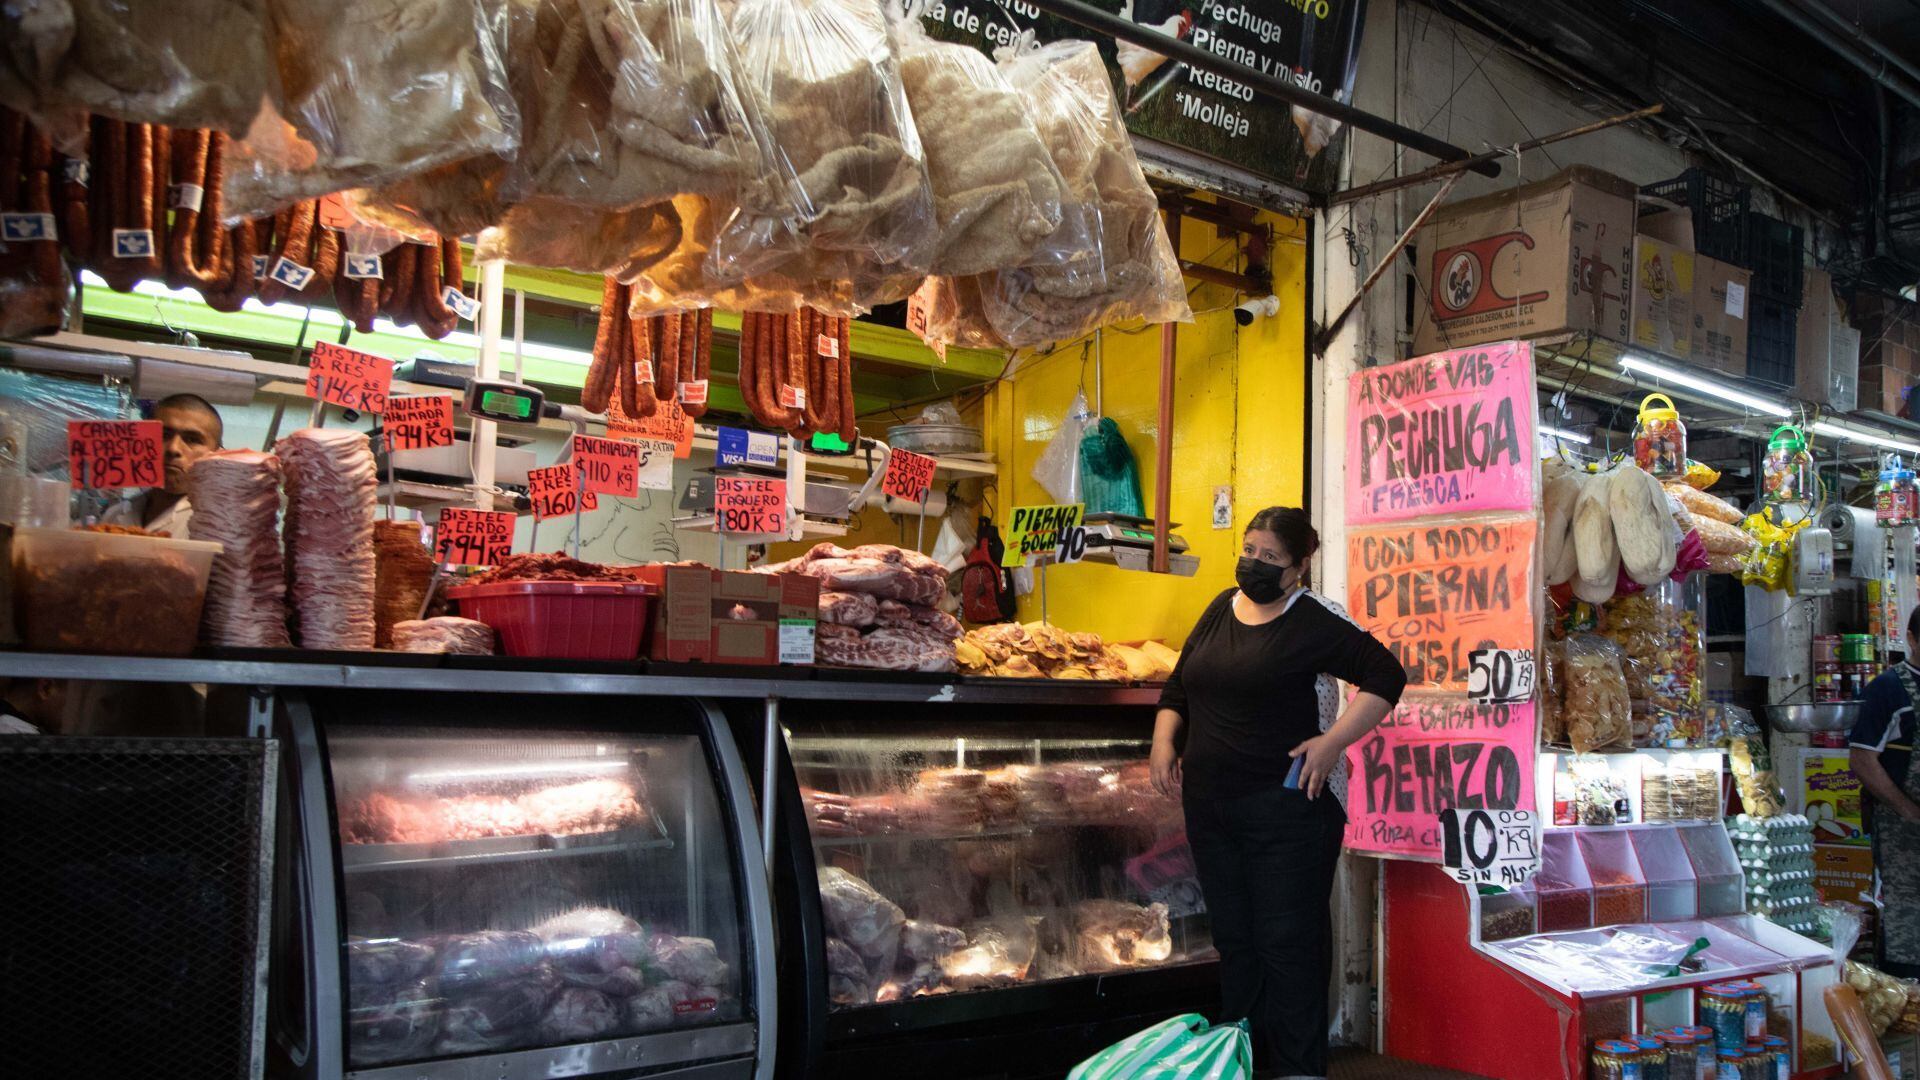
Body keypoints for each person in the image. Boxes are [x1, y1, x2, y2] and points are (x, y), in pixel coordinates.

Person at [1151, 506, 1406, 1079]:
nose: (1254, 564)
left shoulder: (1312, 619)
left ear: (1298, 566)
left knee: (1287, 944)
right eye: (1249, 550)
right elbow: (1178, 685)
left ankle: (1297, 1068)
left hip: (1290, 812)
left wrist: (1333, 742)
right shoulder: (1221, 607)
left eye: (1270, 557)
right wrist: (1164, 740)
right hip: (1212, 810)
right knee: (1236, 943)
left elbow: (1386, 675)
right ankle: (1243, 1062)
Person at [1850, 606, 1920, 978]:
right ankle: (1903, 1000)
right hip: (1904, 834)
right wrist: (1908, 811)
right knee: (1908, 927)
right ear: (1911, 639)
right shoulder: (1889, 689)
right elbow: (1862, 759)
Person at [101, 393, 223, 536]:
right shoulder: (114, 515)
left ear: (216, 455)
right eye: (163, 435)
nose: (173, 448)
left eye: (192, 439)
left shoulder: (221, 525)